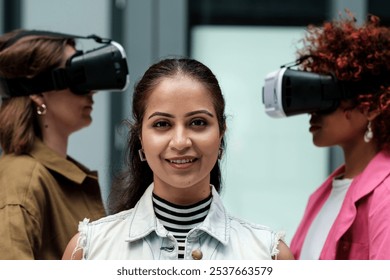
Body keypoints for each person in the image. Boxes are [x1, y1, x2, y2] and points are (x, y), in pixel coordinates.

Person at [62, 57, 294, 260]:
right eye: (162, 124)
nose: (181, 142)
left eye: (198, 123)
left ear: (221, 132)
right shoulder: (88, 251)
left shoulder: (269, 254)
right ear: (141, 137)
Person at [289, 13, 390, 259]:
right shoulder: (324, 194)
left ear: (372, 106)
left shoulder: (385, 195)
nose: (312, 109)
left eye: (326, 94)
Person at [0, 29, 106, 259]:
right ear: (38, 93)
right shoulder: (22, 181)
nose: (91, 90)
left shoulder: (57, 176)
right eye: (77, 75)